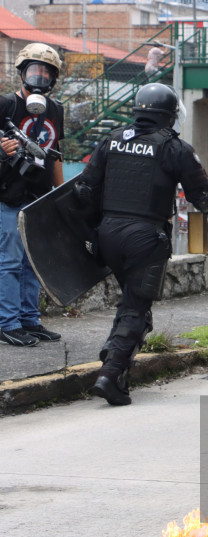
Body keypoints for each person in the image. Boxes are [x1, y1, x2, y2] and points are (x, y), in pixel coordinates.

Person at [74, 83, 208, 406]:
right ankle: (110, 374)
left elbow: (84, 189)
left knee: (130, 303)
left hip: (108, 234)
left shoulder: (111, 140)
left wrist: (92, 232)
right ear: (169, 116)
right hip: (145, 237)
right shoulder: (175, 148)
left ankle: (115, 357)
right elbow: (202, 198)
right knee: (137, 308)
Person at [0, 43, 64, 347]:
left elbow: (57, 155)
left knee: (31, 263)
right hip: (7, 197)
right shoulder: (5, 106)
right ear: (22, 73)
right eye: (34, 70)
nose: (39, 76)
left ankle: (29, 320)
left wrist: (61, 196)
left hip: (38, 199)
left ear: (53, 78)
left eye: (46, 71)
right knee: (9, 262)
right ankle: (7, 323)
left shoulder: (56, 110)